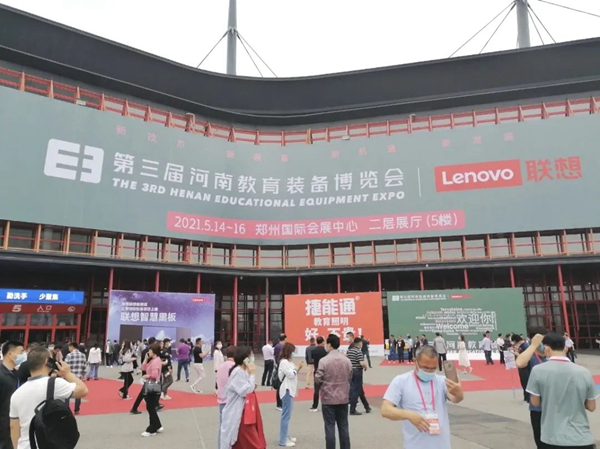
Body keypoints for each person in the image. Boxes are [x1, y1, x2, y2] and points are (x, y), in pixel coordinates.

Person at [381, 346, 464, 449]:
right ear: (415, 361)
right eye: (425, 368)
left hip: (442, 445)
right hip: (415, 445)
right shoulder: (401, 381)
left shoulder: (441, 381)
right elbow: (385, 410)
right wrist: (408, 415)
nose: (429, 372)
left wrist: (459, 394)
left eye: (433, 368)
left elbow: (455, 399)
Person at [526, 332, 597, 449]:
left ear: (546, 348)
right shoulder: (584, 372)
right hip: (582, 437)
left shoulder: (537, 370)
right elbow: (591, 406)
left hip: (552, 437)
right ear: (564, 348)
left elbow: (535, 402)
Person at [9, 346, 88, 449]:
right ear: (48, 362)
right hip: (50, 443)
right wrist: (67, 374)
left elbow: (14, 427)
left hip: (25, 445)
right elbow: (83, 390)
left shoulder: (16, 394)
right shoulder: (55, 384)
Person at [220, 346, 265, 449]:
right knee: (251, 441)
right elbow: (245, 391)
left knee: (243, 442)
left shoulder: (242, 371)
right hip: (240, 413)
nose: (252, 357)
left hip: (245, 411)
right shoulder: (238, 372)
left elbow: (246, 387)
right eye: (251, 355)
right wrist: (252, 374)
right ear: (246, 358)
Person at [314, 334, 353, 449]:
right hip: (343, 397)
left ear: (329, 345)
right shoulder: (346, 360)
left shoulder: (323, 361)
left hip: (328, 398)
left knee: (329, 427)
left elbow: (318, 378)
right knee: (343, 426)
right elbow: (350, 376)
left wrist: (323, 384)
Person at [516, 331, 548, 448]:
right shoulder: (531, 356)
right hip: (538, 408)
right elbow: (520, 363)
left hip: (555, 407)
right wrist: (533, 346)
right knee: (541, 441)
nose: (544, 345)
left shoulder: (552, 357)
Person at [278, 343, 304, 447]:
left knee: (287, 415)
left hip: (290, 389)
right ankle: (283, 440)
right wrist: (297, 368)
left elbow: (294, 372)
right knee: (286, 416)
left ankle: (286, 436)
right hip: (287, 390)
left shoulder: (288, 362)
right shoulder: (284, 362)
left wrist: (298, 368)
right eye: (292, 351)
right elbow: (290, 374)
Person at [0, 341, 24, 449]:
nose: (23, 355)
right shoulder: (1, 375)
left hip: (15, 422)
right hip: (3, 425)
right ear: (10, 354)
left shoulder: (17, 374)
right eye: (21, 352)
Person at [130, 337, 159, 415]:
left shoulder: (144, 351)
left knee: (145, 392)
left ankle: (135, 407)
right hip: (150, 374)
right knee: (150, 392)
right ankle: (154, 406)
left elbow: (143, 362)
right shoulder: (152, 353)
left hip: (146, 372)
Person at [140, 342, 163, 437]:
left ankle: (151, 429)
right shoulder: (153, 360)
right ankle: (157, 425)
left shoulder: (156, 361)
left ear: (154, 351)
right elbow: (143, 368)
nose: (148, 352)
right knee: (151, 407)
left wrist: (147, 376)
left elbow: (154, 375)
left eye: (150, 350)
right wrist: (146, 359)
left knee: (150, 407)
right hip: (151, 385)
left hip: (152, 385)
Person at [217, 345, 237, 448]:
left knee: (222, 427)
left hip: (222, 399)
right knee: (232, 428)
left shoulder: (221, 366)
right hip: (231, 401)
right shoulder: (234, 367)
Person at [347, 338, 371, 416]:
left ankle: (367, 406)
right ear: (359, 343)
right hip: (357, 371)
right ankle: (352, 409)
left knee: (359, 389)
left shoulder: (350, 351)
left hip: (351, 371)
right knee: (356, 390)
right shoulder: (358, 351)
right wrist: (365, 367)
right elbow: (361, 363)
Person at [65, 342, 87, 414]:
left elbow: (66, 366)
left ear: (72, 346)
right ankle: (77, 409)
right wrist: (84, 374)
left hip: (70, 377)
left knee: (67, 393)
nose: (68, 348)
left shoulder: (69, 355)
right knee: (78, 393)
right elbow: (84, 366)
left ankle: (67, 409)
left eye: (69, 347)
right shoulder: (83, 355)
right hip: (78, 376)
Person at [310, 336, 327, 412]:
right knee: (325, 388)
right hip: (324, 370)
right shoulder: (325, 351)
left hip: (317, 370)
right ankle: (326, 404)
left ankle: (315, 406)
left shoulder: (313, 351)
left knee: (316, 389)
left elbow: (312, 359)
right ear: (323, 342)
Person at [274, 334, 287, 411]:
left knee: (280, 386)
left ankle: (279, 403)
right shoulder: (280, 347)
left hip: (279, 366)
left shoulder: (277, 346)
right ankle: (279, 404)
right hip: (281, 367)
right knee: (280, 386)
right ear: (284, 339)